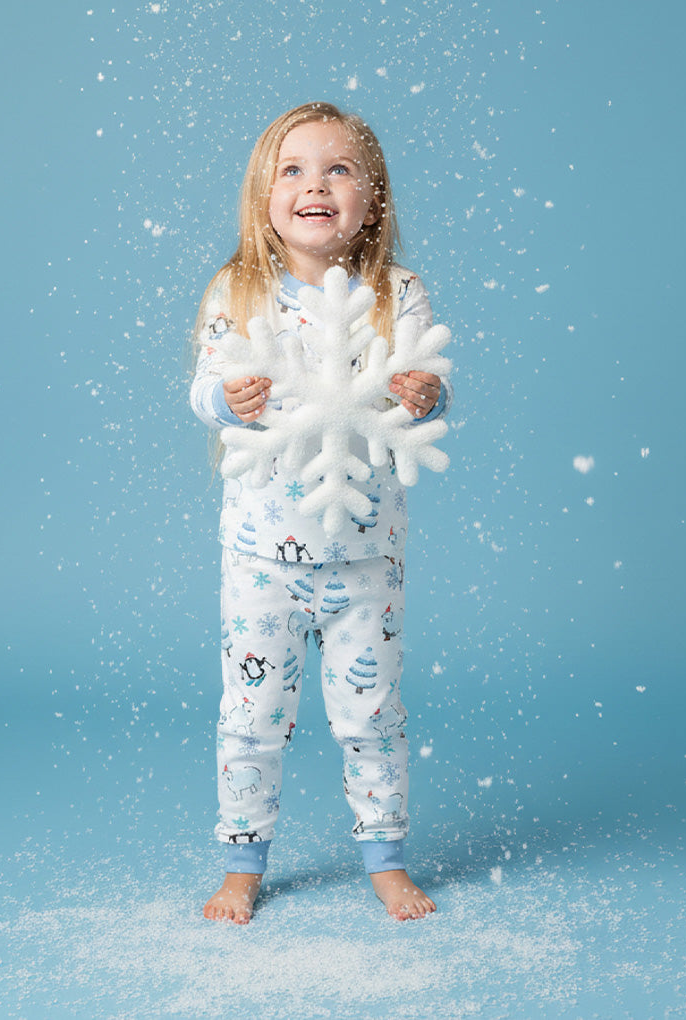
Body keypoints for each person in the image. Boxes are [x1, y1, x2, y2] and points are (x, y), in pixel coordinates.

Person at [189, 101, 451, 923]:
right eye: (294, 170)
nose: (316, 185)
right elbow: (203, 389)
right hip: (261, 554)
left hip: (366, 557)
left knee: (372, 716)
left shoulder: (396, 293)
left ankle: (385, 856)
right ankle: (242, 863)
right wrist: (227, 401)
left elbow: (426, 389)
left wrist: (425, 393)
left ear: (372, 198)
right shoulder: (239, 290)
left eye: (340, 169)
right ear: (262, 197)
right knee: (251, 717)